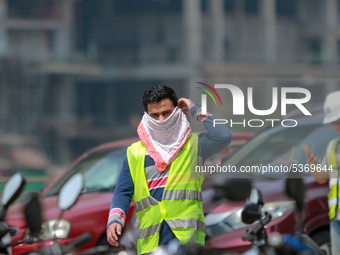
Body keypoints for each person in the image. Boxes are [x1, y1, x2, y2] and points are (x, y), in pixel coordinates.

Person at [106, 85, 232, 255]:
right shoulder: (134, 153)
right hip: (151, 246)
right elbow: (123, 191)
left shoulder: (196, 145)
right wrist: (114, 220)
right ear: (147, 117)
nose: (161, 120)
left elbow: (223, 136)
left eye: (166, 113)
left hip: (188, 244)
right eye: (155, 115)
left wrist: (195, 109)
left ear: (177, 111)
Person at [306, 90, 340, 255]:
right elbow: (323, 179)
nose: (336, 126)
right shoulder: (333, 146)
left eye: (339, 121)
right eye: (333, 122)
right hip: (336, 218)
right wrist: (313, 166)